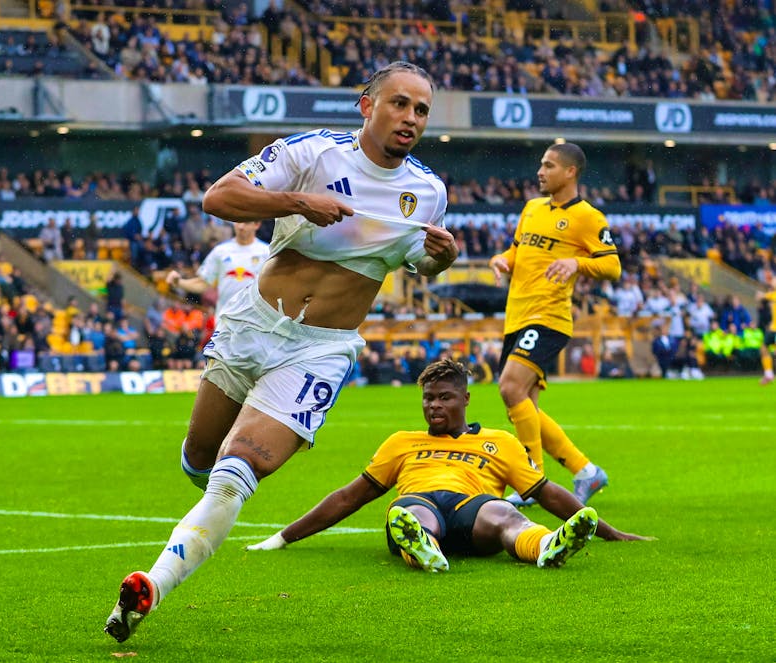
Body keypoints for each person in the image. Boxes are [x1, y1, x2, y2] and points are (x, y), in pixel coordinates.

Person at [105, 61, 457, 643]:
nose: (411, 118)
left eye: (421, 110)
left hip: (319, 350)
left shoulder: (427, 192)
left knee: (237, 469)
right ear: (365, 104)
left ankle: (152, 586)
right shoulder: (313, 152)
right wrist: (297, 202)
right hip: (253, 325)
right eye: (399, 103)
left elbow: (421, 262)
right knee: (200, 459)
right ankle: (204, 497)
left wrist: (440, 259)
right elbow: (219, 197)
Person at [246, 359, 647, 571]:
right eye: (428, 399)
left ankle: (546, 546)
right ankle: (422, 547)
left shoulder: (499, 442)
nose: (434, 406)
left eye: (444, 398)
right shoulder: (402, 443)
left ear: (466, 399)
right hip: (422, 502)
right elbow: (351, 496)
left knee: (504, 511)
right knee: (410, 512)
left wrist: (608, 532)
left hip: (473, 512)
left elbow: (545, 491)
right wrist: (283, 537)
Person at [488, 142, 619, 507]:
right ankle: (585, 472)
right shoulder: (531, 208)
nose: (540, 172)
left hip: (549, 318)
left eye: (548, 166)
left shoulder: (587, 217)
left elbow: (612, 265)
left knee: (510, 388)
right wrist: (501, 260)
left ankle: (531, 478)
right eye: (541, 165)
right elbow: (517, 252)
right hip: (516, 316)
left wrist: (578, 264)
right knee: (525, 403)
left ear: (570, 172)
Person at [165, 220, 270, 318]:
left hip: (255, 322)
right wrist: (179, 282)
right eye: (238, 221)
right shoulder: (220, 251)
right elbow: (203, 283)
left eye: (246, 222)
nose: (241, 226)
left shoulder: (267, 252)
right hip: (225, 320)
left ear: (257, 224)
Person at [757, 283, 775, 385]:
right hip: (773, 329)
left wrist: (761, 295)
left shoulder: (773, 295)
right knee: (763, 348)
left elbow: (761, 296)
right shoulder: (772, 295)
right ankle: (768, 374)